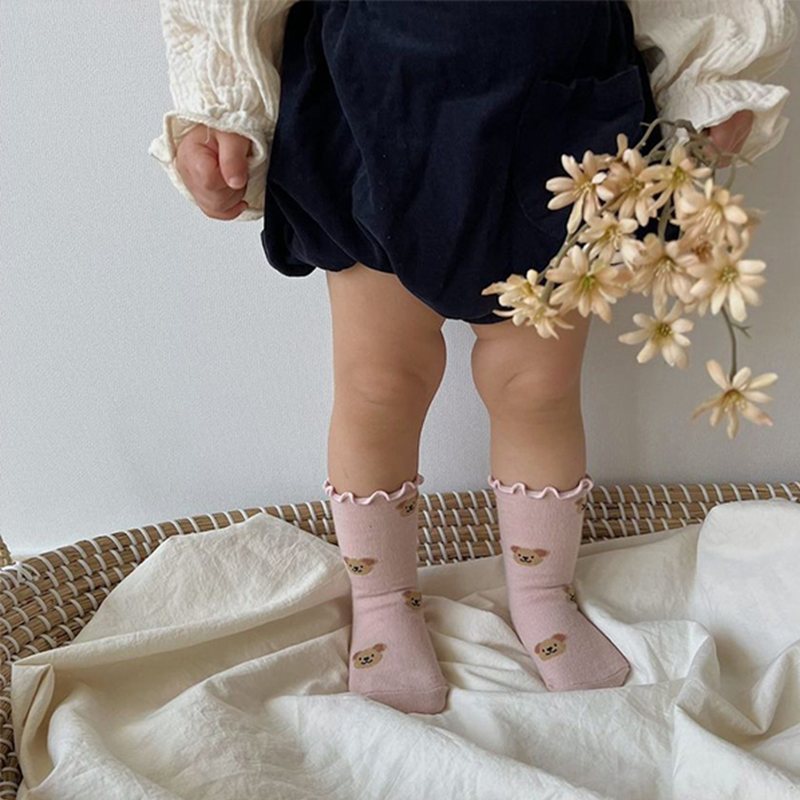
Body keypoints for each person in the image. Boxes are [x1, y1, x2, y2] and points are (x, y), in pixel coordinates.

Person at [149, 0, 797, 715]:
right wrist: (219, 106)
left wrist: (709, 76)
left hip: (558, 111)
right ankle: (382, 599)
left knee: (538, 385)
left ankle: (543, 591)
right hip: (371, 104)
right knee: (379, 382)